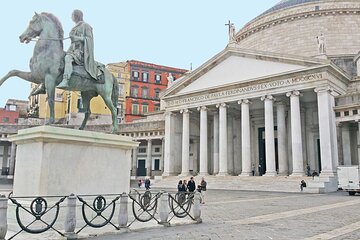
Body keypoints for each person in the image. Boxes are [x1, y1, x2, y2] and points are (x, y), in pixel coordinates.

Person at [58, 9, 99, 89]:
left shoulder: (86, 26)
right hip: (72, 50)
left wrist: (76, 38)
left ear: (76, 16)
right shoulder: (75, 27)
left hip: (80, 52)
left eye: (72, 15)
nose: (71, 17)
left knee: (68, 58)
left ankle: (65, 80)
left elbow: (89, 39)